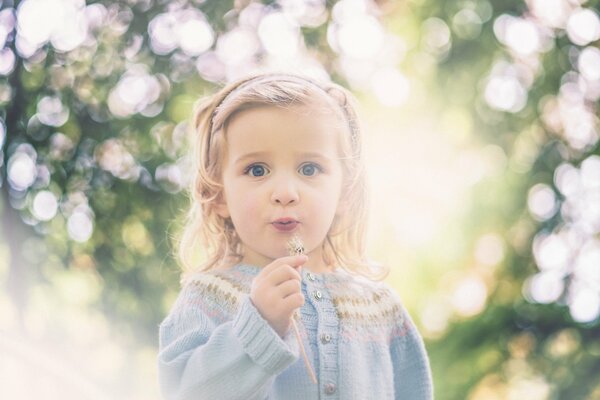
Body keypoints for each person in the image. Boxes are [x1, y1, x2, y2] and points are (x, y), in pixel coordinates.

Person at [157, 72, 433, 400]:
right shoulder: (207, 298)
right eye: (257, 170)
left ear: (345, 192)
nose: (286, 192)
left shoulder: (380, 308)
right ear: (218, 195)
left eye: (309, 169)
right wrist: (259, 325)